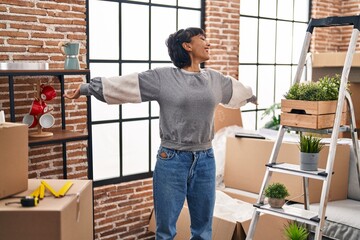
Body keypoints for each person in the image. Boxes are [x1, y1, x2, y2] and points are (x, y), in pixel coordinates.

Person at [64, 27, 257, 240]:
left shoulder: (214, 79)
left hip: (205, 159)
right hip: (172, 159)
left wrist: (255, 98)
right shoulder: (163, 78)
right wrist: (86, 88)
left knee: (203, 230)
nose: (208, 43)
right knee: (165, 231)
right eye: (202, 39)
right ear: (187, 46)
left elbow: (239, 91)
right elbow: (124, 85)